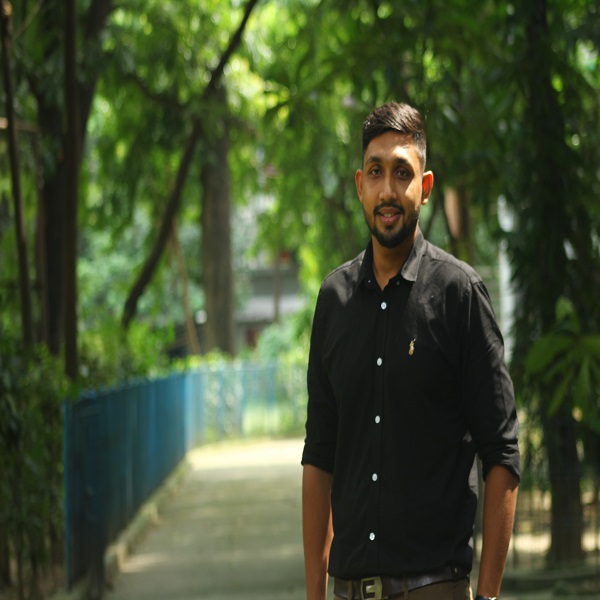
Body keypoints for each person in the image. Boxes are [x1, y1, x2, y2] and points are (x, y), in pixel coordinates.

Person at [301, 101, 520, 600]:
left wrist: (487, 596)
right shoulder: (333, 301)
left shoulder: (459, 295)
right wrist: (315, 593)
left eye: (403, 173)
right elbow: (319, 455)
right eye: (376, 172)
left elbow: (502, 452)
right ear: (360, 185)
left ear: (425, 186)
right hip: (349, 589)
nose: (388, 190)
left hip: (435, 587)